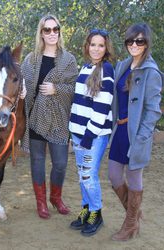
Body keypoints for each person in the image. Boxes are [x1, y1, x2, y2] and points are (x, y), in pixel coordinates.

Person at [108, 23, 164, 241]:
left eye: (140, 41)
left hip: (136, 134)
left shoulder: (151, 72)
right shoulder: (123, 65)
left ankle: (130, 224)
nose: (134, 45)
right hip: (120, 130)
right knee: (114, 176)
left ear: (147, 43)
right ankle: (134, 214)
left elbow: (153, 110)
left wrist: (143, 137)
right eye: (130, 41)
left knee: (134, 178)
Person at [21, 15, 78, 219]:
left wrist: (56, 89)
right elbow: (22, 85)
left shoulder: (68, 60)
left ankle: (56, 197)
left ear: (59, 32)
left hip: (59, 119)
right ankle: (41, 202)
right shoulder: (30, 59)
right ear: (41, 33)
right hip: (36, 118)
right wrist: (22, 93)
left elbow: (74, 89)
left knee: (60, 163)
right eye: (47, 30)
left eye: (56, 29)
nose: (52, 33)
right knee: (37, 160)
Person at [69, 29, 115, 236]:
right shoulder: (86, 67)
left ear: (106, 48)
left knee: (88, 175)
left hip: (94, 135)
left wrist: (88, 136)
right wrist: (74, 131)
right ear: (87, 46)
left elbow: (102, 107)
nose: (96, 48)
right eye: (92, 44)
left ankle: (97, 213)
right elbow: (79, 103)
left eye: (100, 45)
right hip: (79, 132)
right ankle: (86, 209)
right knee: (82, 175)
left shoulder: (107, 69)